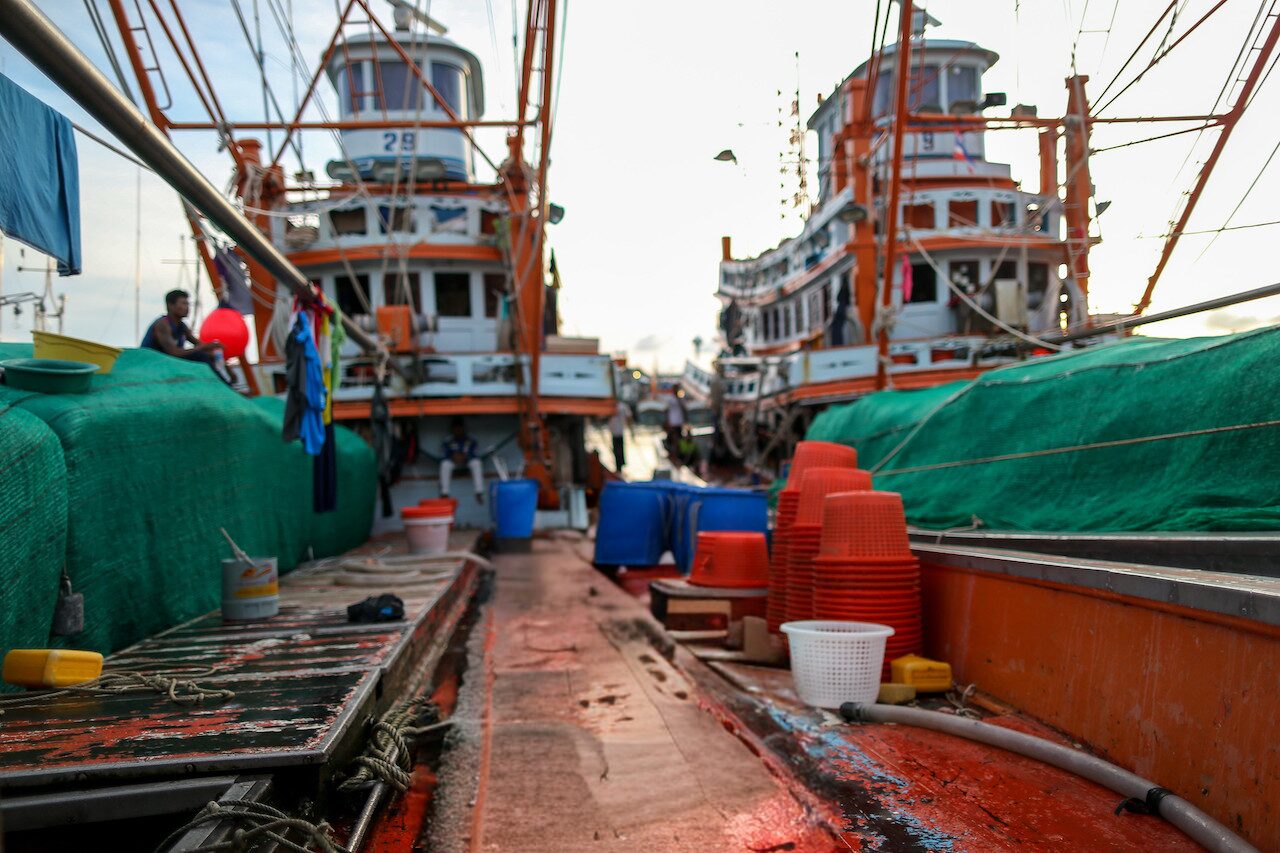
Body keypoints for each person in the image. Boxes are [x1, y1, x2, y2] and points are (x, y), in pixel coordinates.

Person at [140, 289, 230, 381]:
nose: (187, 307)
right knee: (200, 355)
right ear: (171, 305)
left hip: (167, 363)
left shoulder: (182, 326)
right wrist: (204, 348)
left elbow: (199, 344)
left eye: (188, 304)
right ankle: (223, 386)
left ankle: (226, 383)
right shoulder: (162, 324)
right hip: (151, 364)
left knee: (208, 355)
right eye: (183, 304)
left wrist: (219, 358)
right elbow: (174, 353)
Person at [440, 417, 484, 504]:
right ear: (452, 429)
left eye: (459, 428)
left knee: (477, 463)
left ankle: (479, 492)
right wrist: (453, 457)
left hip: (468, 462)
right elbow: (444, 455)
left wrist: (465, 456)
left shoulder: (471, 439)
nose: (457, 430)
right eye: (455, 428)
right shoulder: (448, 440)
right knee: (445, 464)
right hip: (453, 463)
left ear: (463, 428)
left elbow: (475, 454)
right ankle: (444, 493)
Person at [608, 399, 630, 473]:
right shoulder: (623, 406)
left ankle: (619, 468)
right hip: (619, 431)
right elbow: (629, 416)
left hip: (616, 432)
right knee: (620, 450)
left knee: (617, 450)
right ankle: (620, 467)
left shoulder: (613, 407)